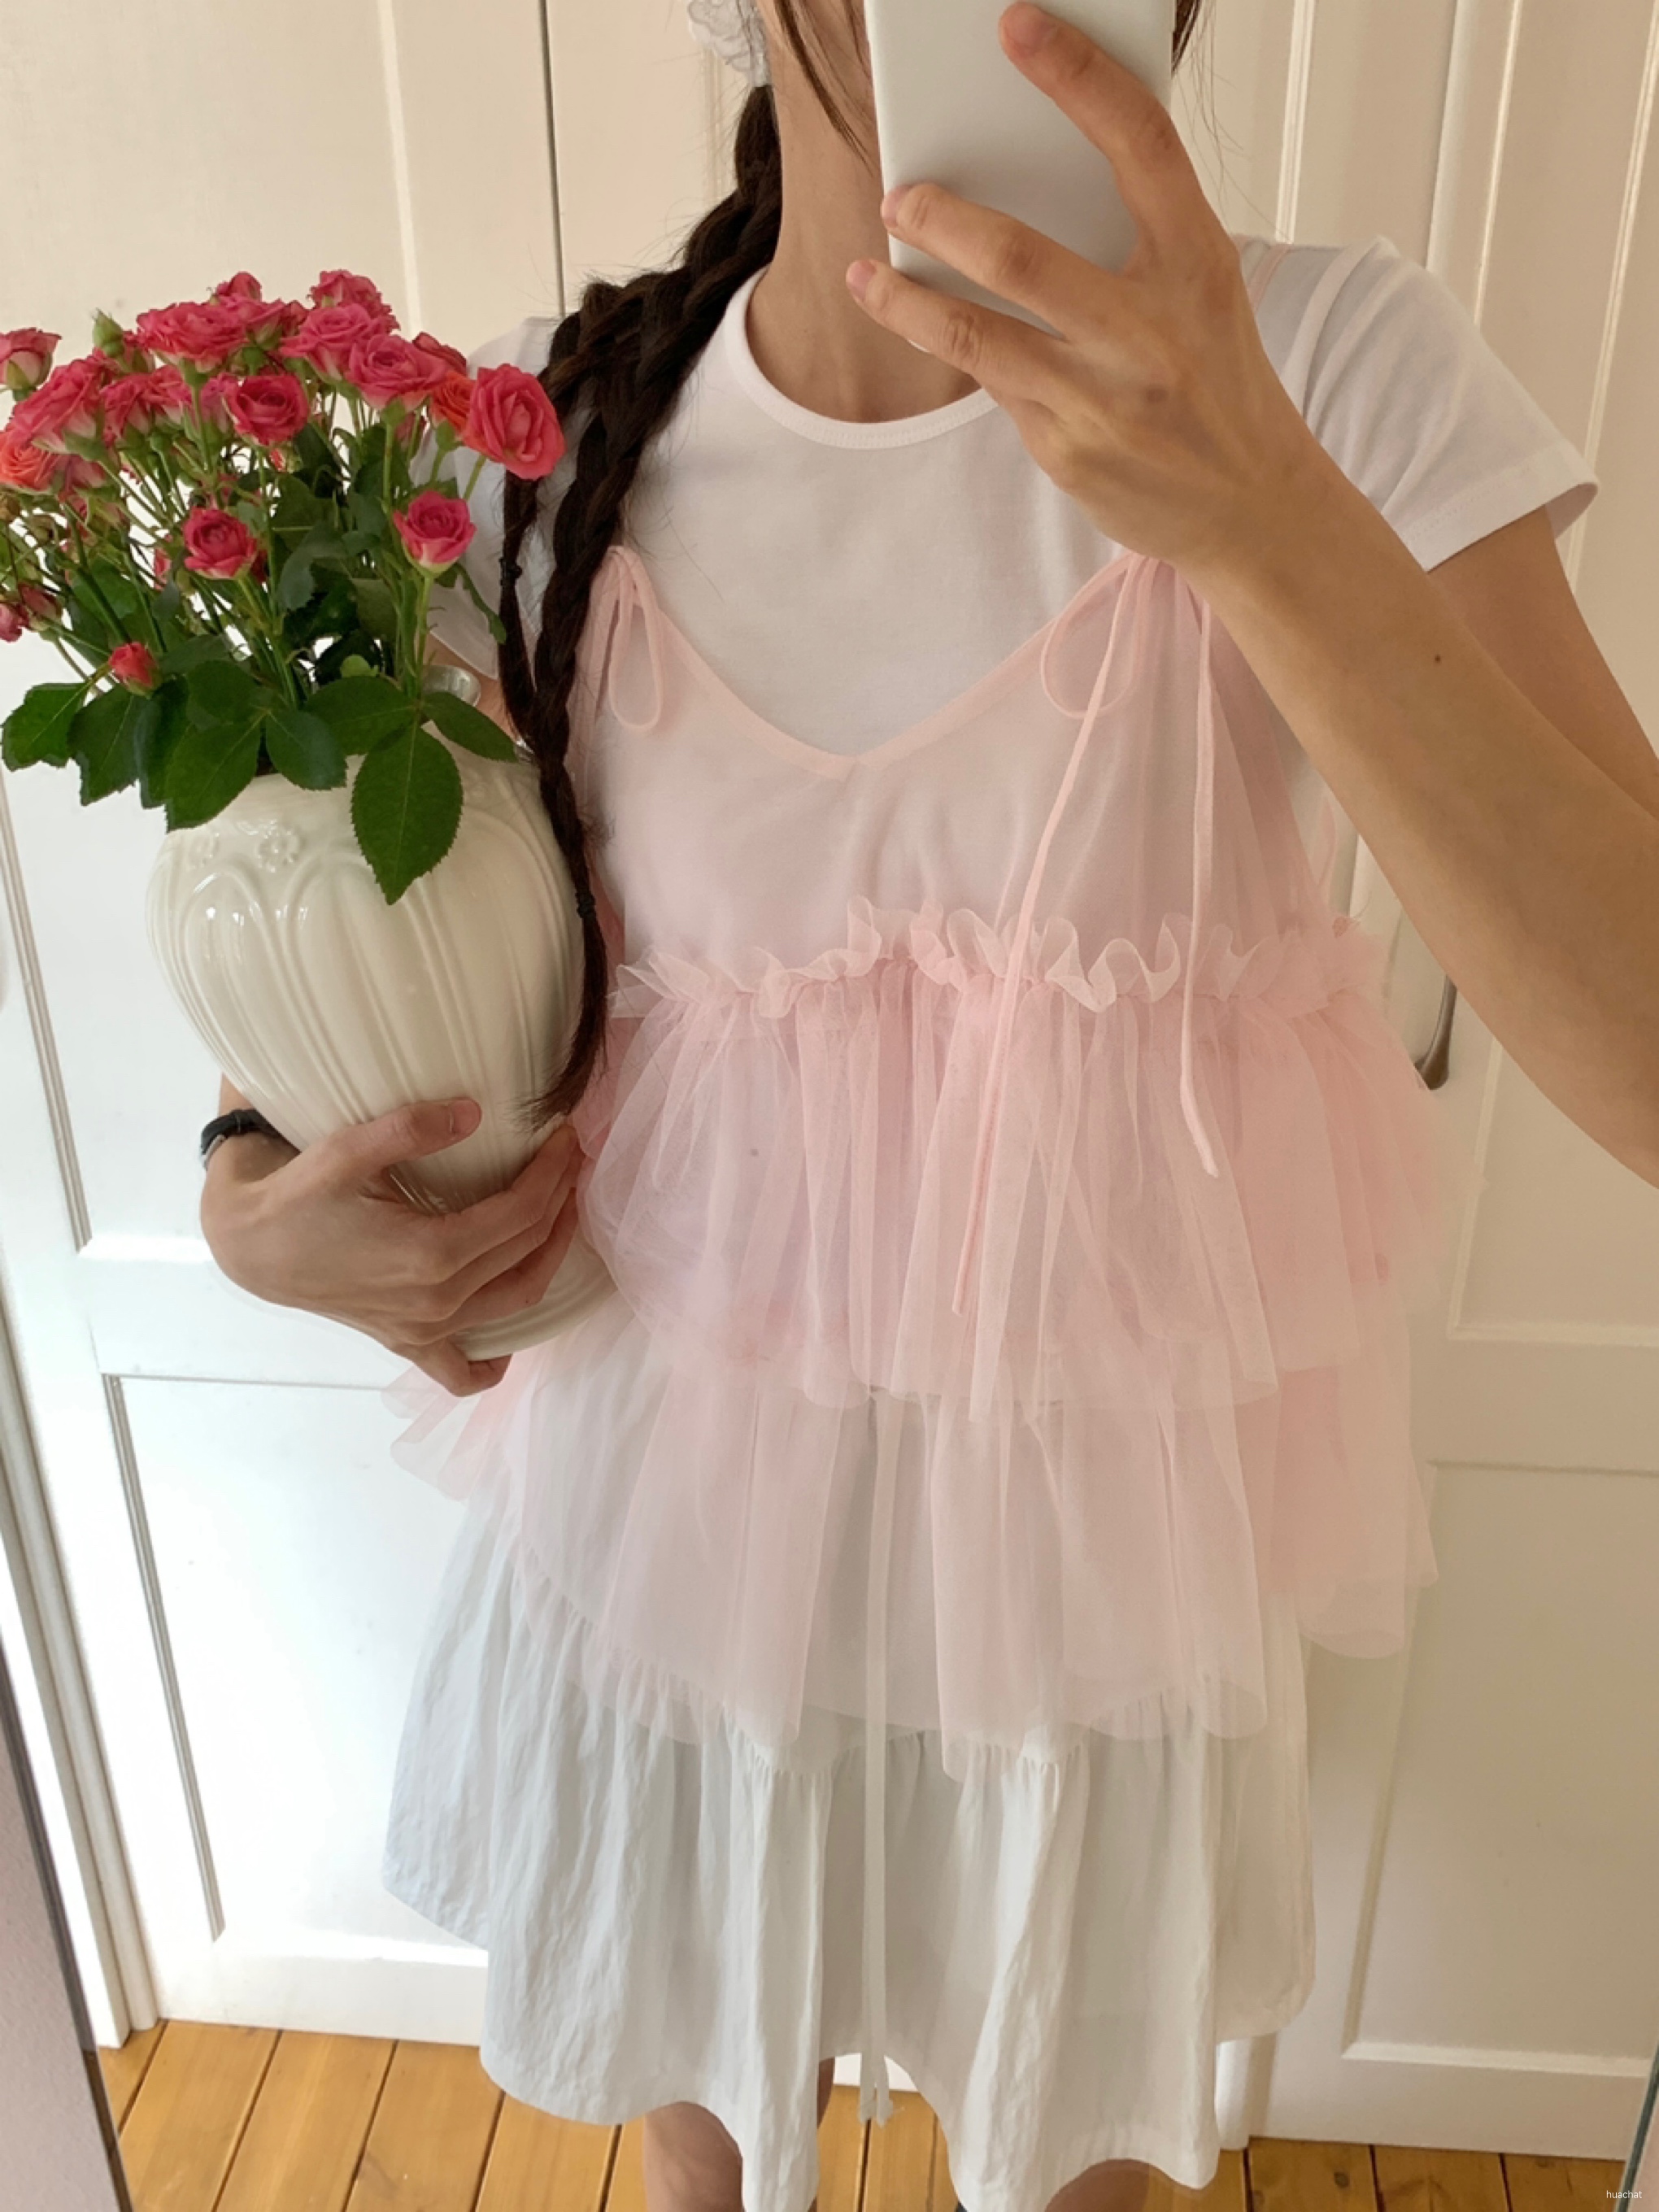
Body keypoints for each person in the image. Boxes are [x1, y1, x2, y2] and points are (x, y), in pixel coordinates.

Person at [198, 3, 1659, 2210]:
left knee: (1070, 2154)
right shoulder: (537, 437)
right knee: (706, 2147)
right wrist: (245, 1190)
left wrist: (1266, 521)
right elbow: (361, 940)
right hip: (668, 1539)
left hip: (1089, 1588)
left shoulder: (1332, 373)